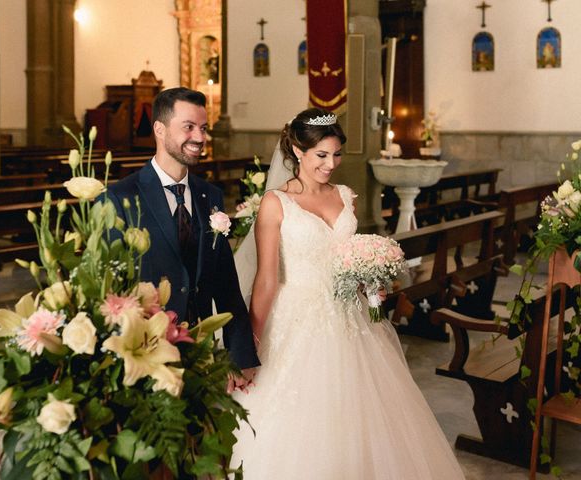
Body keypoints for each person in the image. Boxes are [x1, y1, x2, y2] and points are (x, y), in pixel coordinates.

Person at [230, 108, 466, 479]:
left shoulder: (345, 195)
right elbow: (265, 281)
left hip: (351, 317)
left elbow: (344, 260)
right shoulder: (275, 203)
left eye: (336, 154)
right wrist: (251, 342)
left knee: (366, 414)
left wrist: (370, 280)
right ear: (296, 149)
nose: (331, 164)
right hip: (297, 319)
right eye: (321, 155)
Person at [105, 87, 260, 378]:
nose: (200, 137)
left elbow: (226, 283)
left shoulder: (209, 195)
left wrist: (239, 358)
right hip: (142, 352)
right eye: (188, 127)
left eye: (203, 128)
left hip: (199, 351)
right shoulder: (122, 197)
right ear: (160, 130)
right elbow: (111, 288)